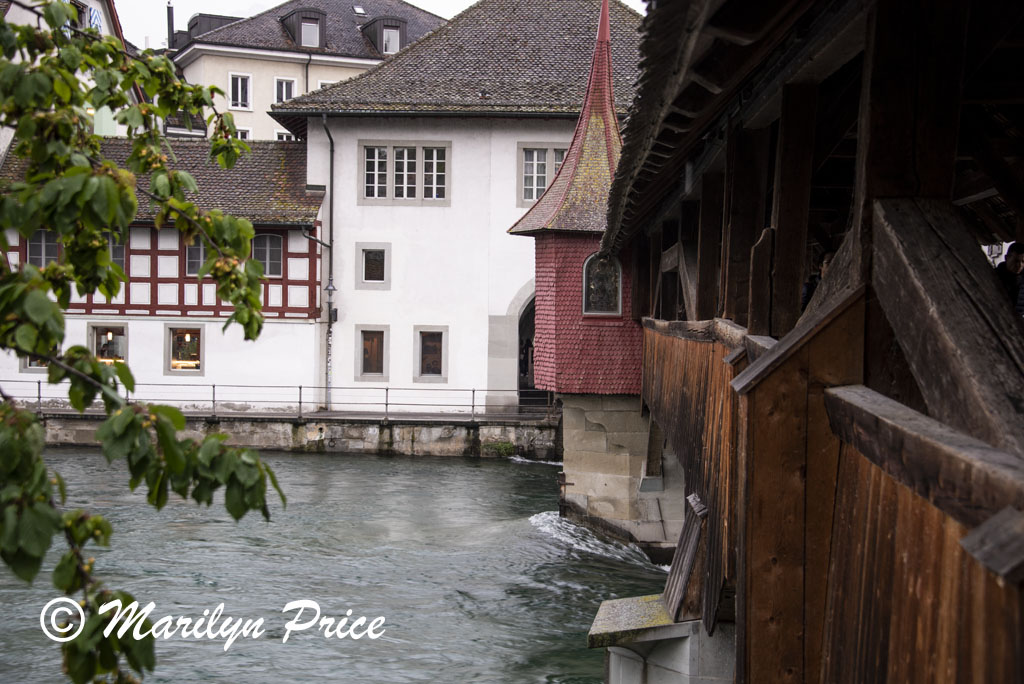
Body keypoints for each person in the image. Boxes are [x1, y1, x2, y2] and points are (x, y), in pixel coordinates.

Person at [994, 242, 1024, 316]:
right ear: (1006, 258)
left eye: (1023, 262)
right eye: (1016, 261)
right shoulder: (994, 276)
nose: (1019, 265)